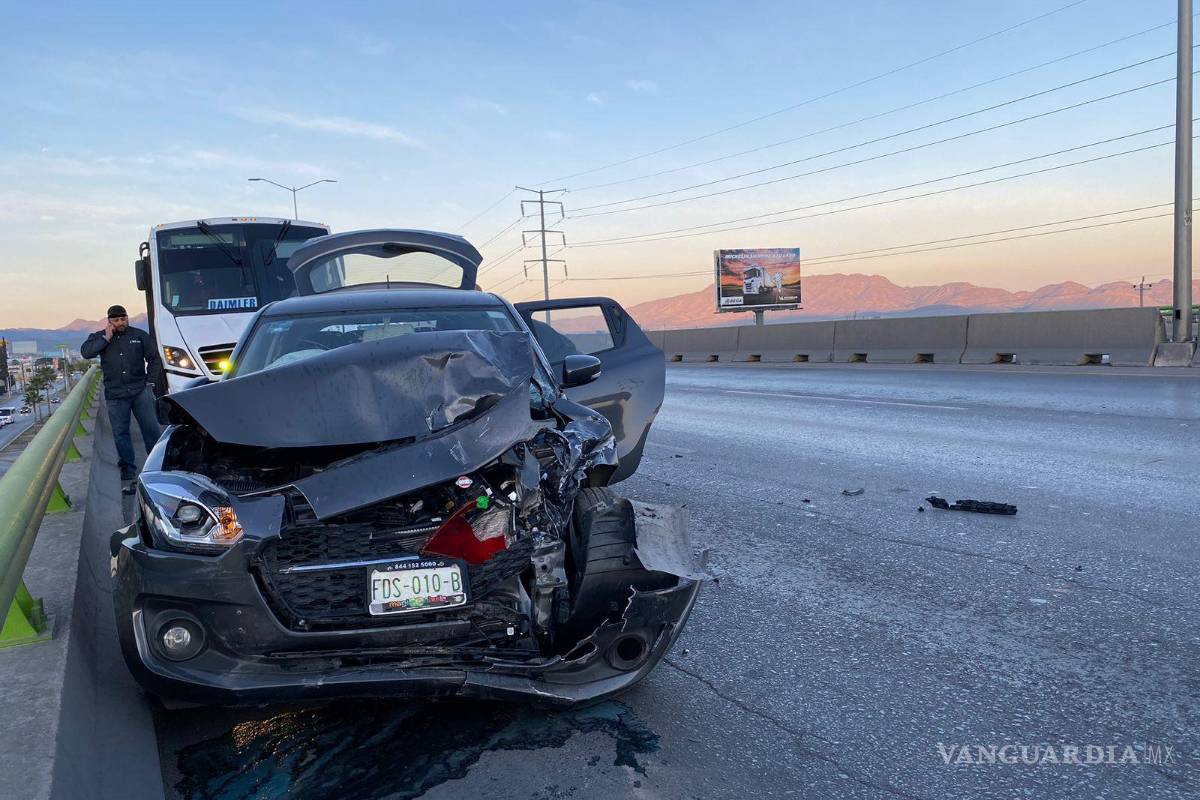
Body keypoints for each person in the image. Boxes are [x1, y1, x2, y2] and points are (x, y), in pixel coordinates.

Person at [80, 305, 163, 493]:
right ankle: (128, 469)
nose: (120, 323)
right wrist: (106, 338)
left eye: (123, 319)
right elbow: (86, 353)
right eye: (116, 320)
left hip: (140, 391)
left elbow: (154, 358)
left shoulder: (139, 335)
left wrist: (150, 382)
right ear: (109, 321)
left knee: (150, 428)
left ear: (127, 318)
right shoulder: (99, 337)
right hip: (115, 395)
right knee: (120, 433)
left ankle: (159, 463)